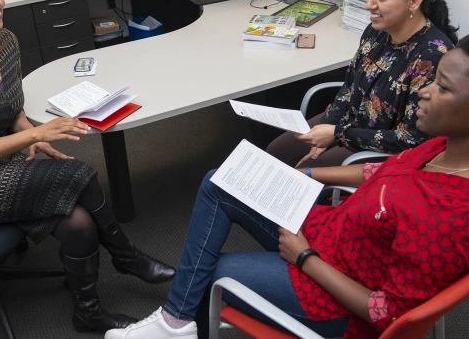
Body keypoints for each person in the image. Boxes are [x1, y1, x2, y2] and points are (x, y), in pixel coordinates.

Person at [105, 36, 469, 339]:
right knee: (223, 181)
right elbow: (384, 171)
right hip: (330, 234)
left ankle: (176, 320)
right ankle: (176, 321)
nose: (423, 92)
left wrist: (305, 258)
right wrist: (312, 177)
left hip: (333, 295)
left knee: (209, 273)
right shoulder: (444, 145)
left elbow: (387, 313)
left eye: (442, 87)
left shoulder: (451, 213)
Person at [0, 0, 176, 333]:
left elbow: (11, 109)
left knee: (79, 222)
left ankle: (87, 311)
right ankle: (127, 256)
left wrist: (28, 138)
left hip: (0, 158)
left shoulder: (4, 41)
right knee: (80, 173)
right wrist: (35, 135)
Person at [267, 0, 458, 169]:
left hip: (383, 149)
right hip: (349, 124)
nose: (369, 4)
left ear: (414, 0)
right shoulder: (376, 31)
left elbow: (411, 139)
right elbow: (349, 89)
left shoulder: (433, 56)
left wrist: (337, 135)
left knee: (306, 173)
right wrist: (328, 126)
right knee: (277, 150)